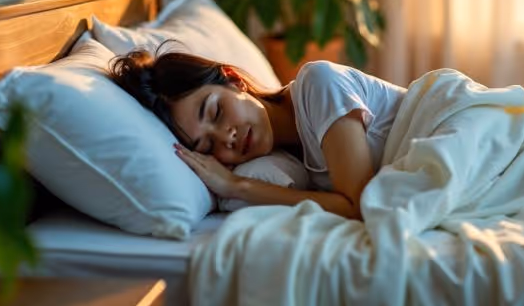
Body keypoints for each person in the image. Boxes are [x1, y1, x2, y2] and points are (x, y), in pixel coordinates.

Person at [109, 45, 406, 220]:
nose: (226, 137)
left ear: (234, 80)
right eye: (208, 144)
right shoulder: (285, 159)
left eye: (216, 111)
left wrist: (237, 186)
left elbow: (359, 207)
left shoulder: (319, 84)